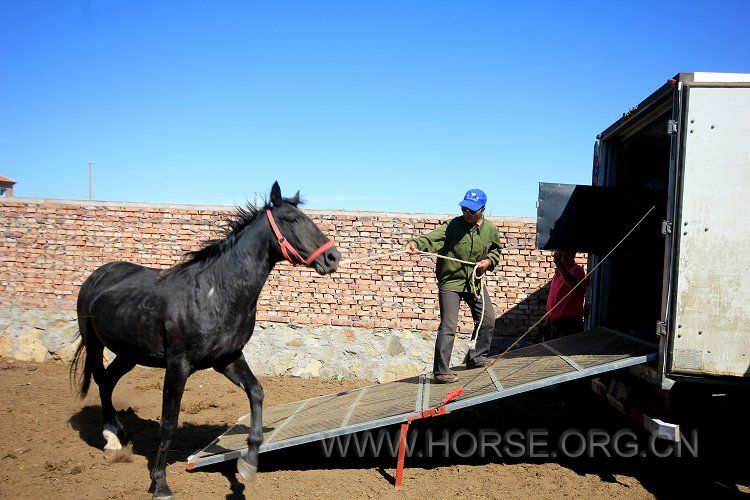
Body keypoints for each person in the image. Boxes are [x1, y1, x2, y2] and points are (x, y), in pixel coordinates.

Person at [405, 189, 503, 383]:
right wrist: (416, 244)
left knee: (487, 318)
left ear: (482, 210)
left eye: (472, 211)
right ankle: (441, 371)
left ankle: (477, 357)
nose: (467, 213)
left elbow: (496, 250)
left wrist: (488, 262)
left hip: (473, 282)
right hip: (450, 281)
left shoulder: (490, 229)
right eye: (464, 209)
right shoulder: (451, 225)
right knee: (448, 326)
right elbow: (433, 238)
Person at [543, 250, 587, 340]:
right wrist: (548, 318)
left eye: (561, 252)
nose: (558, 255)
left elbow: (573, 285)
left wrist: (558, 263)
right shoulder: (559, 273)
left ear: (571, 254)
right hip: (554, 322)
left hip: (568, 323)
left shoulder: (577, 270)